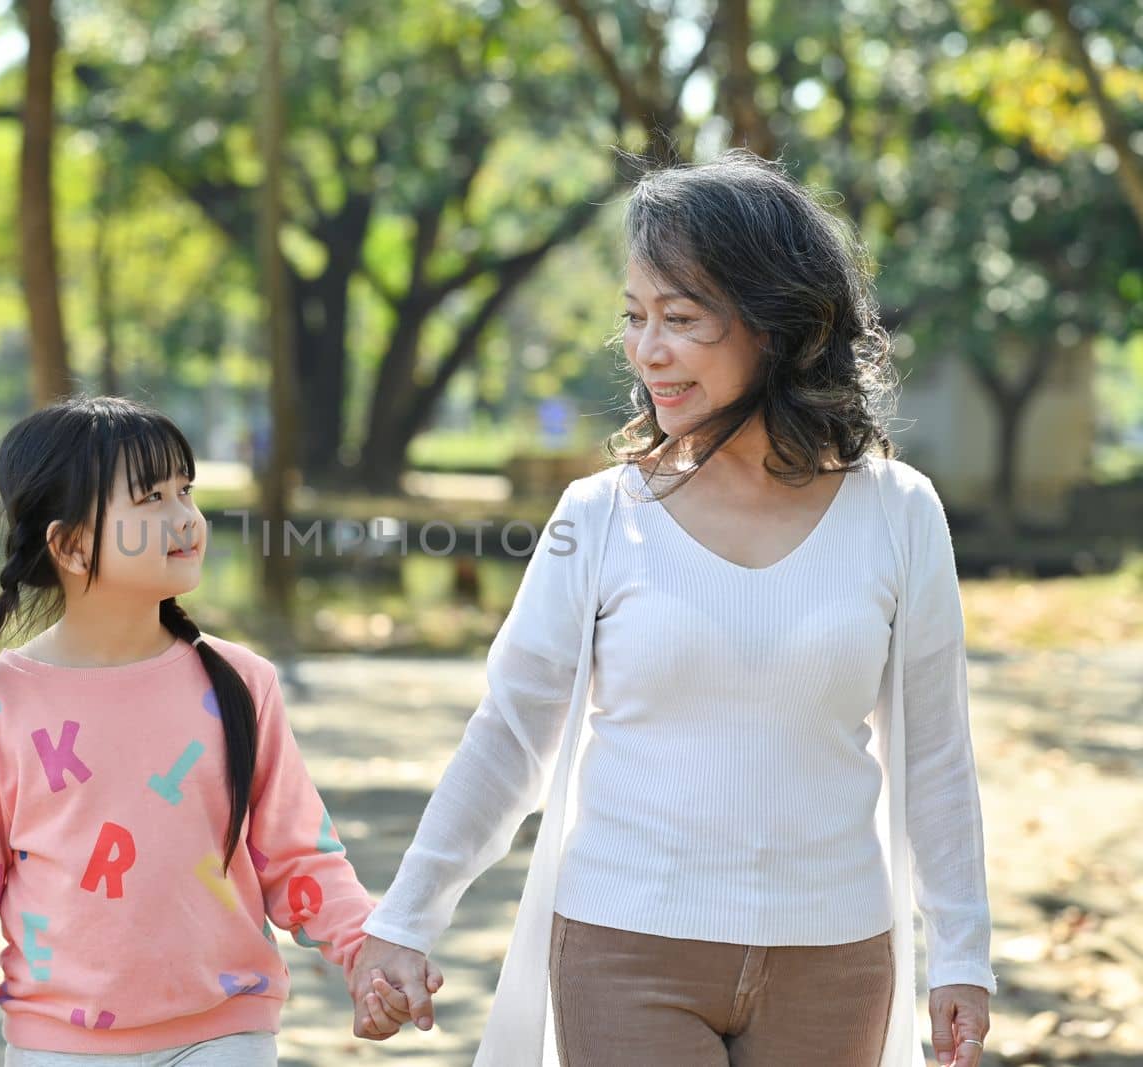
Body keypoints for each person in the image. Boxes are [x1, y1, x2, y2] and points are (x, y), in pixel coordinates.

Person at [349, 151, 997, 1067]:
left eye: (681, 319)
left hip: (836, 957)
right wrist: (406, 919)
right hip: (626, 944)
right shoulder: (597, 517)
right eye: (636, 316)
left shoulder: (899, 513)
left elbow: (936, 754)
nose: (646, 349)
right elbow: (510, 735)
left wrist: (963, 954)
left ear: (775, 325)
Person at [0, 395, 431, 1067]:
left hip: (227, 1039)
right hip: (59, 1050)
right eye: (151, 497)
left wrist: (364, 949)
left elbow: (301, 857)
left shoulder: (241, 684)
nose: (185, 516)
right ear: (71, 544)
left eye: (185, 490)